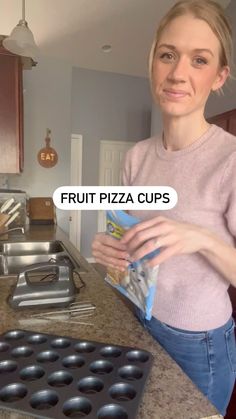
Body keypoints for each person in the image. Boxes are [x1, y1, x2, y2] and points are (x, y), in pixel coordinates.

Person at [92, 0, 236, 415]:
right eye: (168, 55)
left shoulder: (229, 160)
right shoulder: (136, 157)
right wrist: (111, 253)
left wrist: (202, 239)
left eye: (200, 60)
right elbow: (129, 256)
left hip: (200, 344)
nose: (178, 73)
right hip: (140, 319)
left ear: (219, 76)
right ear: (152, 62)